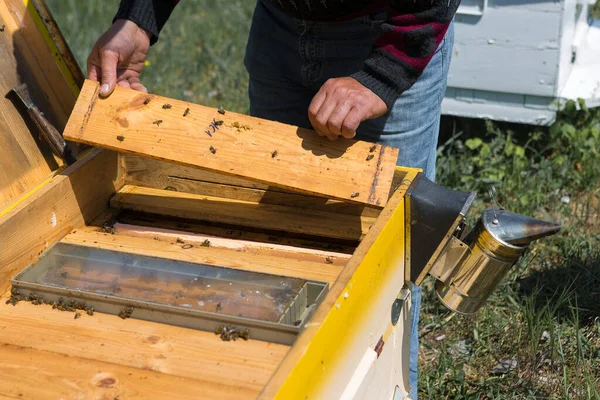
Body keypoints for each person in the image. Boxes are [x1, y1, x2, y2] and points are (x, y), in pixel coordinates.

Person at [87, 1, 460, 398]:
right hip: (279, 27)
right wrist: (139, 19)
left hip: (391, 30)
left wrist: (384, 74)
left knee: (387, 261)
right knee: (276, 238)